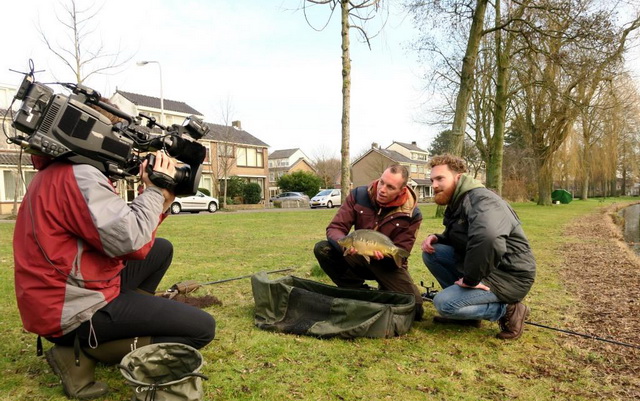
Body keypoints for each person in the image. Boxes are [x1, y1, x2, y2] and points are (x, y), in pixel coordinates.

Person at [13, 150, 216, 399]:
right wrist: (153, 190)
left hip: (66, 289)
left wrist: (164, 196)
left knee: (161, 249)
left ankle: (124, 324)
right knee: (202, 328)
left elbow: (133, 238)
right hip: (70, 309)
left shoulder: (65, 170)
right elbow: (129, 239)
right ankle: (82, 352)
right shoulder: (80, 175)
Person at [421, 154, 536, 340]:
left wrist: (471, 280)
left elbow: (488, 238)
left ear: (458, 177)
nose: (434, 185)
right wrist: (438, 237)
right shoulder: (459, 200)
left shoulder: (482, 200)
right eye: (432, 180)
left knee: (443, 304)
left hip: (509, 275)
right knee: (434, 253)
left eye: (440, 178)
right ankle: (466, 315)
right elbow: (463, 235)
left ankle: (509, 310)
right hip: (490, 266)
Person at [313, 164, 425, 320]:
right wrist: (344, 244)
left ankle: (385, 290)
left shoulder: (412, 214)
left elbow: (402, 251)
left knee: (416, 310)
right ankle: (358, 292)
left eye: (390, 187)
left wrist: (386, 257)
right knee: (323, 249)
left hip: (386, 264)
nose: (382, 189)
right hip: (358, 253)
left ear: (402, 190)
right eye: (382, 182)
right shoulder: (358, 195)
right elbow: (335, 227)